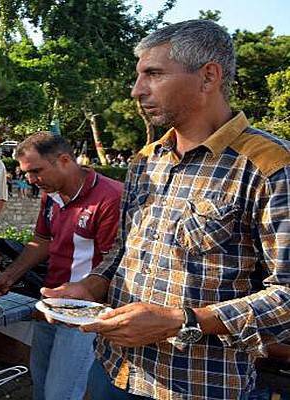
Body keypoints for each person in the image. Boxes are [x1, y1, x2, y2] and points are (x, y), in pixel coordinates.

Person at [44, 20, 290, 400]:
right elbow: (123, 252)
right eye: (139, 75)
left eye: (153, 74)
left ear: (208, 76)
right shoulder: (146, 161)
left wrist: (182, 321)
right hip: (114, 368)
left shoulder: (269, 166)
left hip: (197, 384)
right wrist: (88, 288)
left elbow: (286, 294)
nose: (136, 90)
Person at [0, 132, 123, 400]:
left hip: (85, 312)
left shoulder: (109, 197)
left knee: (61, 392)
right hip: (51, 300)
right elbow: (42, 240)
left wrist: (85, 302)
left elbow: (116, 262)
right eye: (26, 172)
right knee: (40, 381)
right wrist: (10, 275)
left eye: (36, 171)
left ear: (64, 160)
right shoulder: (51, 193)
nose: (30, 180)